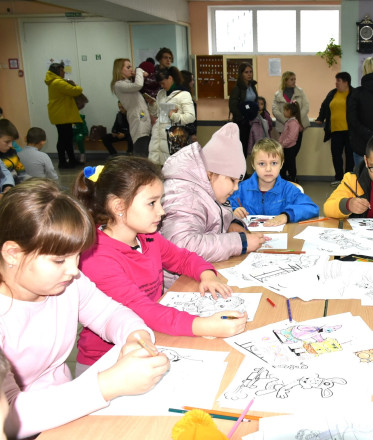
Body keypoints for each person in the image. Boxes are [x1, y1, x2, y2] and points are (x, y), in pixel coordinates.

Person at [0, 179, 170, 439]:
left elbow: (109, 313)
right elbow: (9, 418)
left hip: (68, 413)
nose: (73, 270)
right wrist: (107, 385)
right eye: (59, 260)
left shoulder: (66, 283)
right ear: (12, 253)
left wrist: (135, 334)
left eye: (77, 255)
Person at [73, 156, 246, 372]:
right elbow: (142, 310)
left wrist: (206, 274)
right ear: (119, 206)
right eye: (152, 203)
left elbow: (183, 258)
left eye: (161, 202)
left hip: (153, 339)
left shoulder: (148, 237)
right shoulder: (98, 258)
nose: (161, 211)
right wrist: (203, 325)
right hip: (106, 362)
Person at [160, 123, 269, 286]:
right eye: (232, 180)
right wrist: (240, 242)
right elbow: (183, 246)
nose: (236, 187)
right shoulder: (185, 195)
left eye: (238, 181)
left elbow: (217, 215)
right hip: (177, 286)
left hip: (202, 275)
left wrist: (233, 223)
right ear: (210, 173)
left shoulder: (208, 189)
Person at [229, 138, 319, 225]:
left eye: (274, 163)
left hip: (281, 237)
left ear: (281, 164)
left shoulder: (289, 190)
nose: (268, 169)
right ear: (253, 164)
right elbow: (222, 207)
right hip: (250, 237)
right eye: (262, 164)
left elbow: (312, 208)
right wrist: (233, 210)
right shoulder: (239, 189)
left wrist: (286, 215)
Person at [148, 67, 195, 166]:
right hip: (158, 139)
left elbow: (191, 117)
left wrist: (173, 115)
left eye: (163, 83)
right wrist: (152, 105)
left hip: (172, 139)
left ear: (170, 78)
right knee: (157, 170)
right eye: (160, 84)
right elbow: (157, 114)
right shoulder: (161, 93)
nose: (162, 86)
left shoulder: (184, 94)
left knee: (172, 169)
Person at [316, 72, 355, 186]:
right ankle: (339, 177)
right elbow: (324, 106)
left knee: (349, 155)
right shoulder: (333, 93)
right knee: (336, 154)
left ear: (346, 82)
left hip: (350, 131)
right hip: (335, 131)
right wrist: (320, 118)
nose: (336, 83)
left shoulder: (354, 93)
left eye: (338, 81)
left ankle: (348, 179)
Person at [45, 61, 84, 169]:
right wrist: (76, 85)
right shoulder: (58, 82)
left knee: (66, 138)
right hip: (62, 115)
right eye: (62, 70)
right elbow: (76, 91)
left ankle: (71, 160)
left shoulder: (54, 81)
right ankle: (63, 162)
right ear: (57, 71)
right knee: (64, 139)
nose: (64, 72)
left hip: (61, 114)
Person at [111, 58, 152, 157]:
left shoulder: (127, 83)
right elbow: (138, 85)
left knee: (145, 147)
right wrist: (139, 70)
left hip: (142, 116)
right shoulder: (118, 85)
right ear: (120, 70)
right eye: (128, 67)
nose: (131, 69)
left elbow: (143, 78)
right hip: (137, 118)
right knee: (141, 148)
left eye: (131, 67)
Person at [229, 62, 258, 156]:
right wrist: (241, 117)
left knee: (250, 146)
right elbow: (232, 105)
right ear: (241, 74)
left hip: (252, 120)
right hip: (241, 122)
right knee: (241, 146)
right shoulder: (237, 88)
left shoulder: (252, 87)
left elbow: (255, 101)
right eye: (246, 72)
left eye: (251, 72)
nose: (249, 74)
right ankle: (240, 170)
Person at [279, 102, 304, 183]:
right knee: (285, 164)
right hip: (286, 147)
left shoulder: (293, 123)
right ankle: (285, 179)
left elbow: (291, 138)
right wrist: (280, 143)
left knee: (290, 165)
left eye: (285, 110)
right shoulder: (289, 122)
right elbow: (284, 135)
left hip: (290, 147)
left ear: (290, 111)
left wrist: (282, 144)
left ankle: (293, 180)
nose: (284, 112)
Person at [0, 119, 28, 184]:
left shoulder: (12, 152)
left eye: (12, 141)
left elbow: (21, 171)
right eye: (7, 142)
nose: (10, 145)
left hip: (16, 185)